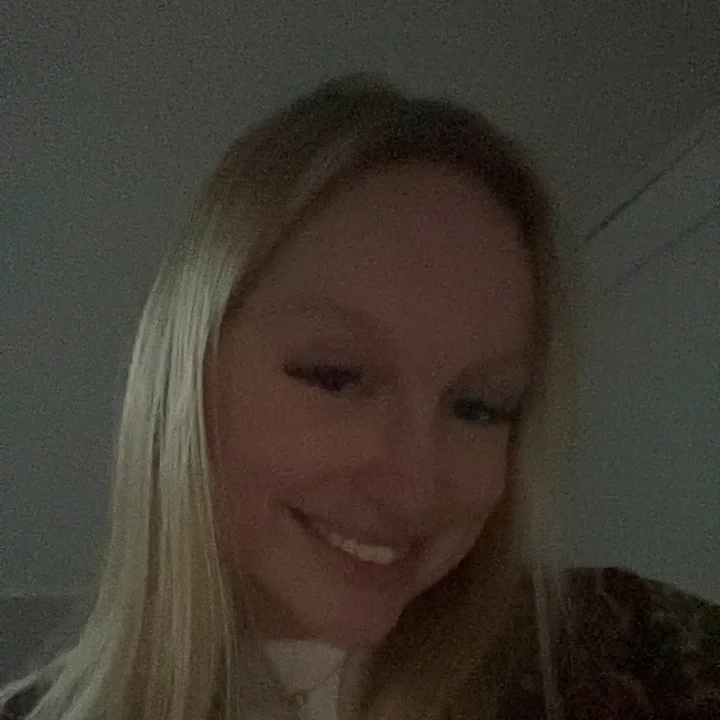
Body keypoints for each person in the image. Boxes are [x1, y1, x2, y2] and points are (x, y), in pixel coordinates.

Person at [2, 74, 718, 720]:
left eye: (478, 407)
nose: (414, 489)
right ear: (184, 374)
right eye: (336, 377)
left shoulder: (633, 653)